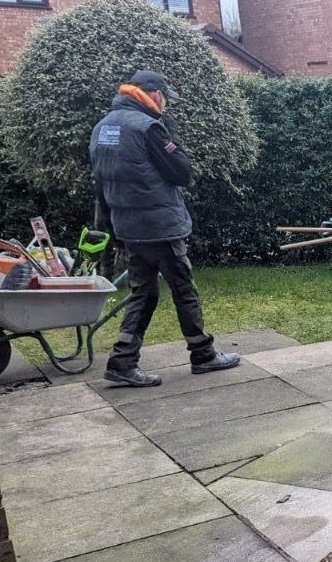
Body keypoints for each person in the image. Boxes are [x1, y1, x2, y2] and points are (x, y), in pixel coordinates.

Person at [89, 70, 239, 387]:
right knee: (183, 289)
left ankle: (122, 361)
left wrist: (110, 226)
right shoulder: (148, 128)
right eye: (164, 97)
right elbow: (182, 172)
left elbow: (101, 184)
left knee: (143, 292)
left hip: (128, 226)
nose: (166, 103)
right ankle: (203, 355)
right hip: (159, 226)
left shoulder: (102, 128)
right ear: (153, 94)